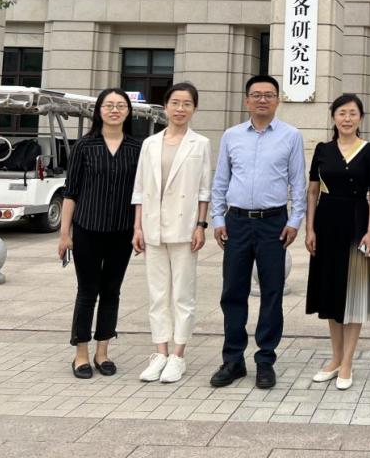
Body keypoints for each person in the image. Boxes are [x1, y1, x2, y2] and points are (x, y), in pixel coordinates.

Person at [208, 75, 306, 389]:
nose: (262, 100)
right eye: (256, 95)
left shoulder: (291, 136)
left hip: (273, 223)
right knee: (233, 292)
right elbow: (220, 180)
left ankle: (265, 360)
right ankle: (233, 360)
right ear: (247, 100)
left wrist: (295, 221)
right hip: (236, 221)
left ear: (278, 99)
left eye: (269, 95)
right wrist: (218, 219)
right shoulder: (231, 136)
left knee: (272, 292)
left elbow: (298, 183)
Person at [57, 87, 142, 379]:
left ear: (128, 111)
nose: (114, 110)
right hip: (87, 229)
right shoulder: (85, 145)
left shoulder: (136, 148)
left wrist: (138, 229)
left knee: (111, 291)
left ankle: (102, 351)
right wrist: (64, 234)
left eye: (120, 105)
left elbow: (140, 194)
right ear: (99, 110)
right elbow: (71, 192)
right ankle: (80, 353)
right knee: (87, 291)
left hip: (121, 232)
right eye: (109, 105)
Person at [131, 82, 213, 384]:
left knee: (182, 294)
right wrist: (137, 227)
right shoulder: (150, 144)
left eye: (187, 104)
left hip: (184, 227)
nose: (180, 109)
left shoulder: (200, 144)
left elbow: (204, 190)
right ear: (165, 106)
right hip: (152, 227)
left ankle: (178, 354)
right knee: (157, 295)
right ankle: (160, 352)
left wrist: (201, 225)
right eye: (175, 103)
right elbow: (140, 189)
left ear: (194, 109)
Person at [304, 94, 370, 391]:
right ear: (333, 117)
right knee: (331, 293)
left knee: (354, 295)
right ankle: (335, 358)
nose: (347, 118)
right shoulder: (323, 150)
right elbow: (313, 191)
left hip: (357, 225)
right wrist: (309, 229)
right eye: (341, 113)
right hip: (326, 225)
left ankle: (347, 361)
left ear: (360, 118)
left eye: (352, 113)